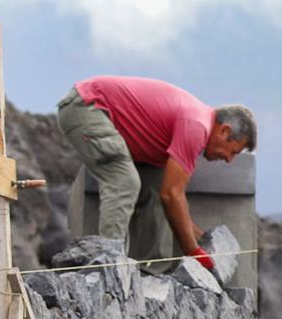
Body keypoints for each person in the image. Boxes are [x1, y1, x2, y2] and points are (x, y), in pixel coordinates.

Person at [55, 76, 257, 269]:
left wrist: (199, 238)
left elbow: (169, 195)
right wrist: (193, 251)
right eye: (234, 151)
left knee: (153, 185)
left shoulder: (196, 122)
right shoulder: (197, 126)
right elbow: (171, 195)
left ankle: (148, 271)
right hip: (86, 108)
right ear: (224, 131)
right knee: (124, 182)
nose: (229, 159)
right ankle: (109, 265)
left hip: (93, 108)